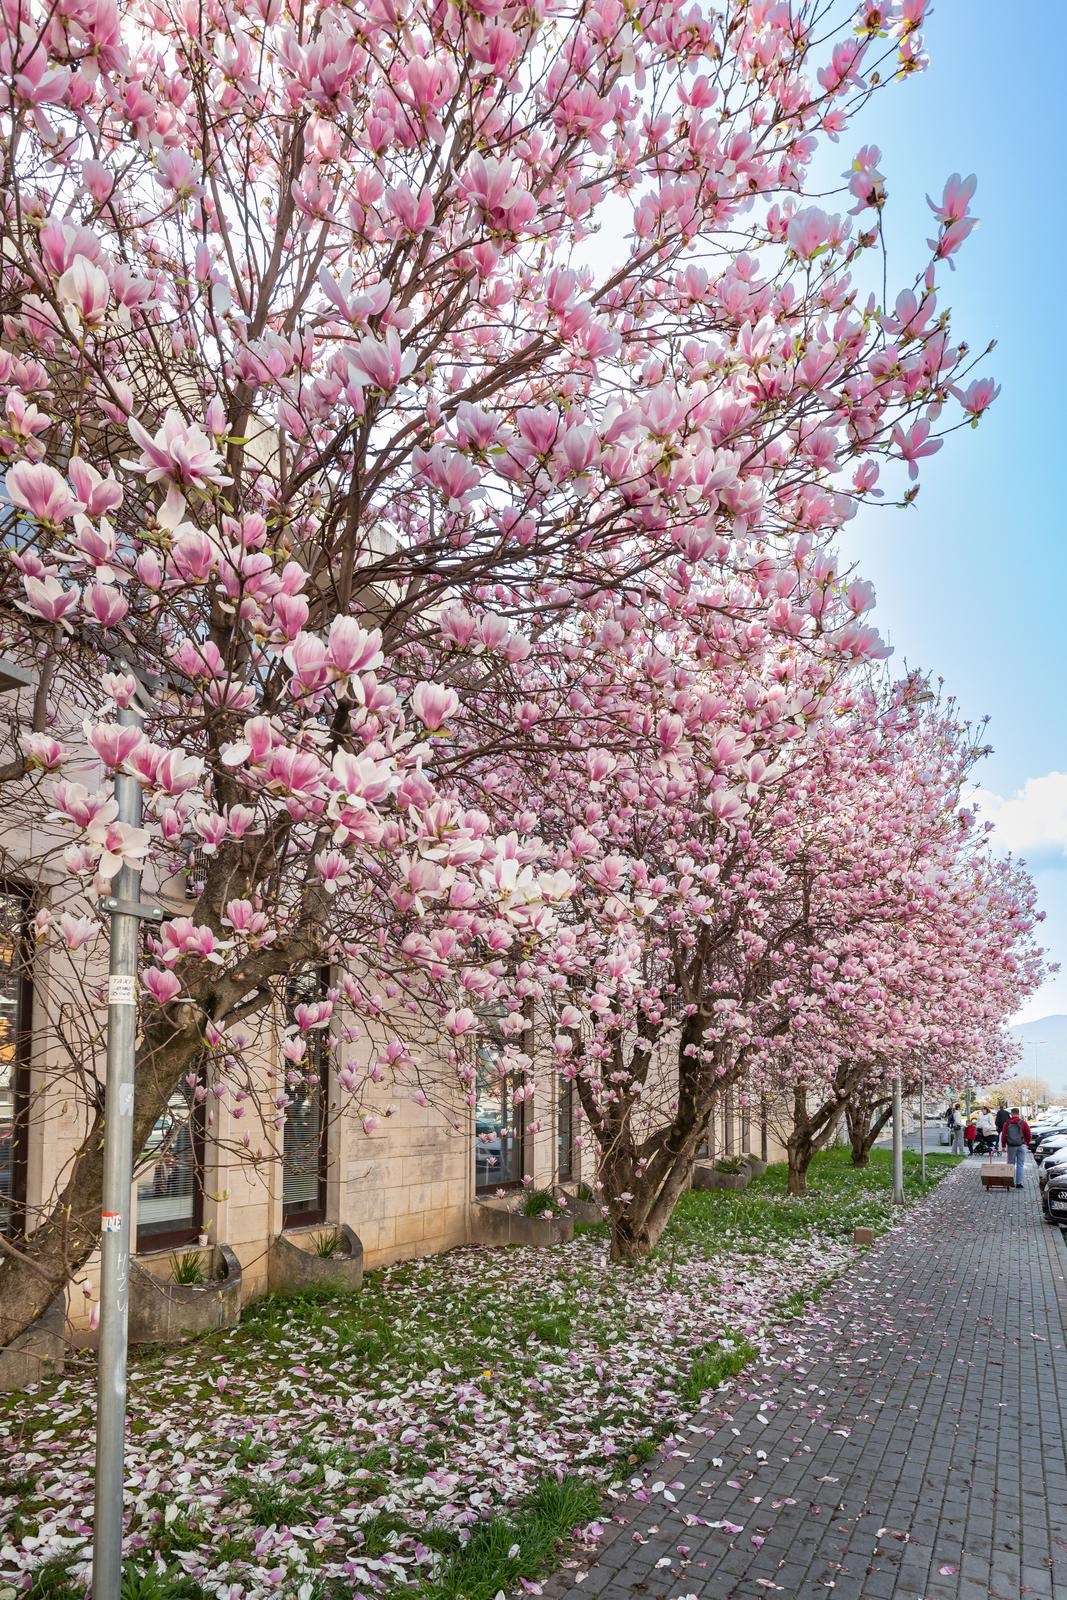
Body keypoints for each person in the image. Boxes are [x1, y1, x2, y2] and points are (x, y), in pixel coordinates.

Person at [999, 1106, 1031, 1188]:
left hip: (1011, 1146)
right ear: (1018, 1114)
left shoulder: (1007, 1123)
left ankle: (1010, 1182)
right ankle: (1019, 1183)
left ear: (1011, 1114)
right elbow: (1028, 1134)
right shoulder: (1023, 1123)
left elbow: (1003, 1135)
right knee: (1020, 1165)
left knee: (1011, 1164)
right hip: (1021, 1145)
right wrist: (1026, 1143)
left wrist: (1003, 1146)